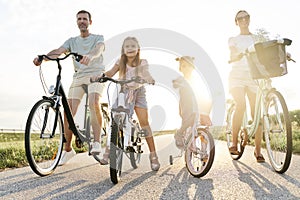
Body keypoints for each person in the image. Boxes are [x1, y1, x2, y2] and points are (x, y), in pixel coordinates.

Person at [33, 10, 105, 165]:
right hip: (79, 77)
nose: (82, 21)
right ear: (77, 22)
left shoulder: (98, 38)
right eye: (79, 19)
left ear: (90, 22)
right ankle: (68, 150)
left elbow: (98, 49)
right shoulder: (72, 41)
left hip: (96, 75)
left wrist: (91, 56)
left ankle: (97, 142)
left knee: (93, 102)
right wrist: (43, 58)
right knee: (68, 111)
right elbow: (58, 52)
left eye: (85, 19)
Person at [95, 36, 160, 171]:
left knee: (144, 123)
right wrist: (102, 76)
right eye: (127, 46)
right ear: (123, 50)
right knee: (115, 120)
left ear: (138, 49)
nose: (130, 48)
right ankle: (108, 151)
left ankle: (153, 155)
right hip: (123, 91)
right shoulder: (120, 62)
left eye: (132, 46)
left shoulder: (142, 62)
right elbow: (111, 72)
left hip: (138, 92)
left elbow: (146, 73)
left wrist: (149, 79)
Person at [228, 10, 265, 162]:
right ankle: (234, 142)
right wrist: (236, 54)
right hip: (237, 77)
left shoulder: (257, 38)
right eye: (240, 18)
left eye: (246, 17)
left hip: (253, 77)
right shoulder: (233, 39)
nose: (243, 20)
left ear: (249, 19)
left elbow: (266, 51)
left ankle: (258, 151)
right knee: (241, 105)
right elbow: (232, 53)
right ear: (236, 22)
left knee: (256, 112)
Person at [173, 56, 212, 149]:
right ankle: (180, 133)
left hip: (198, 106)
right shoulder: (181, 80)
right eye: (184, 66)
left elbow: (203, 92)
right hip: (187, 107)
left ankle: (204, 152)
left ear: (193, 67)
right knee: (189, 129)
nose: (187, 68)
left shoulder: (197, 80)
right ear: (180, 69)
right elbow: (177, 86)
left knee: (205, 126)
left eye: (189, 66)